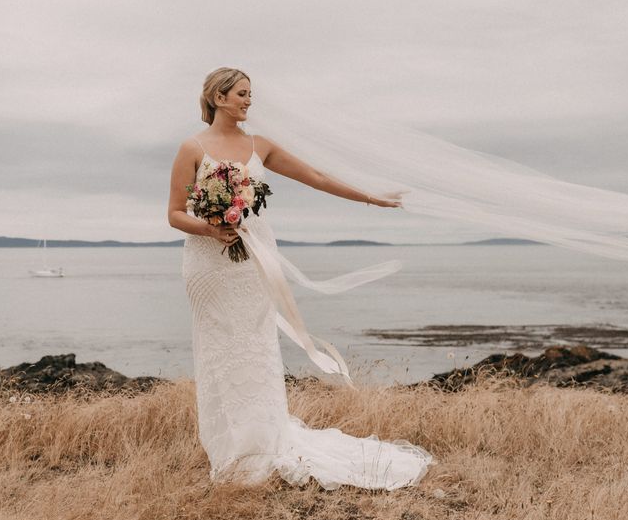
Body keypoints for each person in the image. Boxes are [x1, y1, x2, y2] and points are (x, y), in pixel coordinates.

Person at [167, 67, 434, 490]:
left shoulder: (262, 146)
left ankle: (264, 443)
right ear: (218, 97)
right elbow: (175, 214)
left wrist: (372, 198)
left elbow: (318, 178)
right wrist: (211, 227)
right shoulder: (192, 148)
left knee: (256, 344)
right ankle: (230, 448)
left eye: (250, 94)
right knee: (218, 348)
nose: (249, 101)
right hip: (208, 264)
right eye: (241, 94)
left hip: (254, 259)